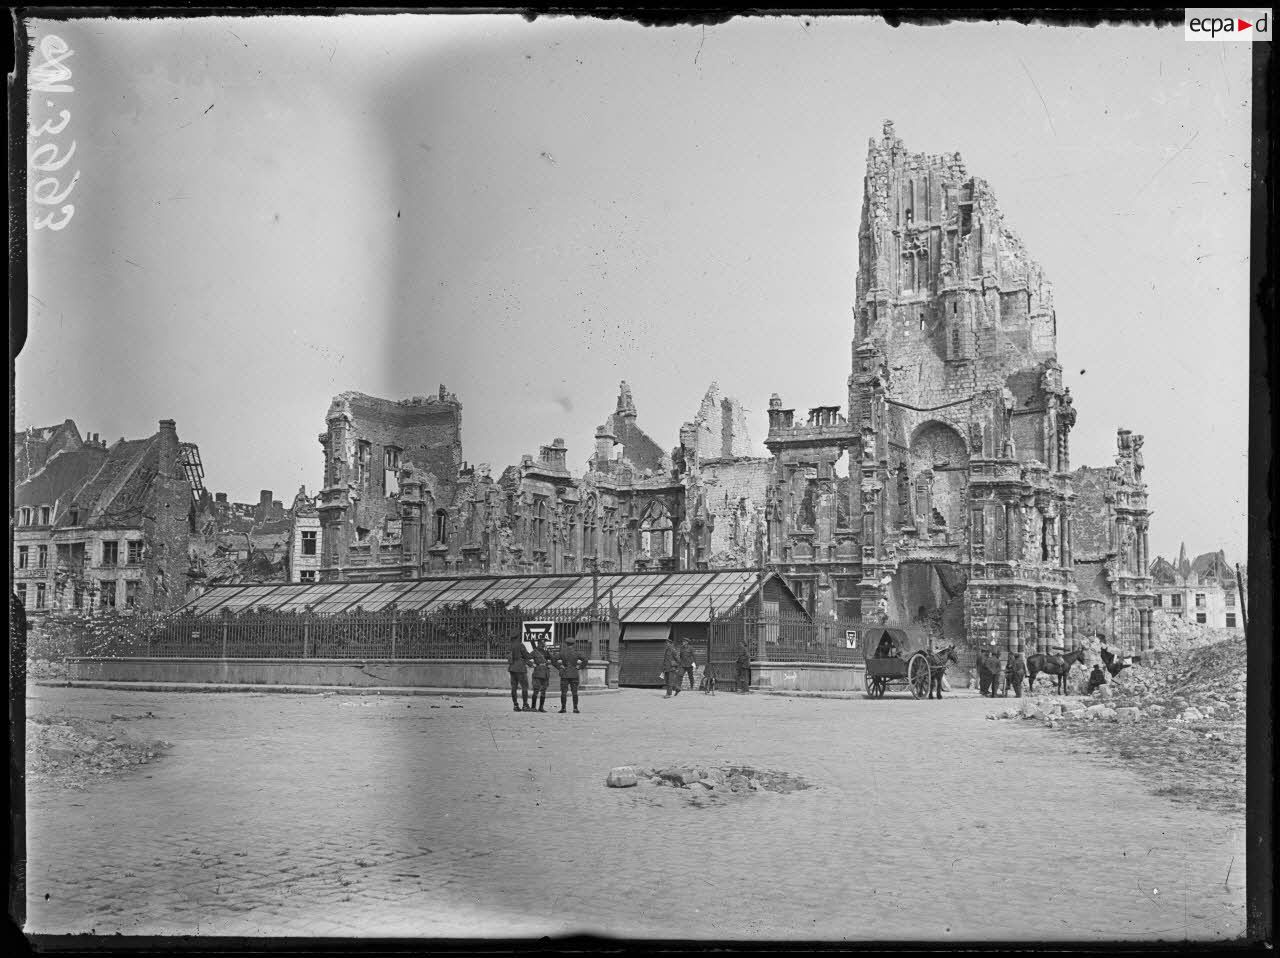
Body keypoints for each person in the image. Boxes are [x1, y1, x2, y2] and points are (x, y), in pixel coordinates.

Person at [553, 637, 589, 714]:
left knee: (563, 692)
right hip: (574, 673)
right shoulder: (577, 653)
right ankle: (575, 708)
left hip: (565, 674)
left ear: (566, 644)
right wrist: (579, 667)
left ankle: (563, 708)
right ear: (574, 644)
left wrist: (559, 667)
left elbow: (553, 659)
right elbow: (585, 660)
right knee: (575, 692)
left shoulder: (562, 652)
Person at [507, 633, 533, 712]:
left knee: (514, 687)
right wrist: (533, 654)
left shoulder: (510, 645)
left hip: (512, 668)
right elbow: (526, 656)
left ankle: (515, 705)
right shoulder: (520, 645)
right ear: (518, 637)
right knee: (524, 687)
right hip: (520, 668)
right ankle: (525, 705)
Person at [529, 638, 551, 713]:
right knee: (536, 690)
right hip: (538, 673)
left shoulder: (546, 652)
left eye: (544, 644)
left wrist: (547, 649)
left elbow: (552, 657)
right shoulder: (534, 652)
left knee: (543, 691)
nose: (542, 645)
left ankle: (541, 707)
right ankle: (533, 707)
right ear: (538, 644)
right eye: (541, 644)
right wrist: (532, 664)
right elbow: (526, 658)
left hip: (545, 673)